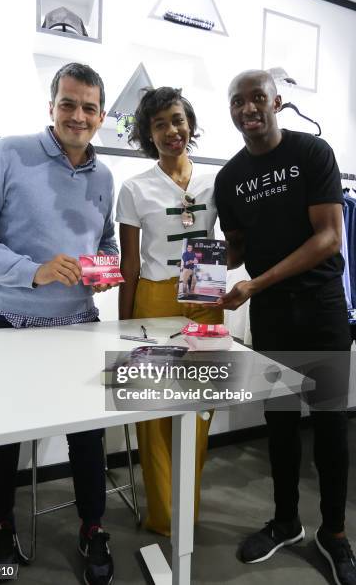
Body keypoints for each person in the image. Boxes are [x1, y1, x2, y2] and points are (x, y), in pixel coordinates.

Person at [0, 62, 116, 585]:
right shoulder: (7, 154)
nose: (78, 115)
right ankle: (0, 522)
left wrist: (105, 269)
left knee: (87, 437)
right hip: (10, 324)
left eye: (89, 107)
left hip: (78, 325)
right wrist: (33, 272)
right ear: (51, 107)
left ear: (101, 115)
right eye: (68, 103)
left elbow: (104, 241)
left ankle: (93, 527)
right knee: (3, 439)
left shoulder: (104, 175)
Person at [215, 69, 356, 585]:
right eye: (238, 101)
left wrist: (256, 284)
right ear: (230, 111)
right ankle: (286, 522)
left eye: (257, 98)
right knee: (278, 425)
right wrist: (190, 254)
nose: (248, 108)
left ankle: (334, 533)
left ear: (277, 101)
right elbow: (236, 249)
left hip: (320, 311)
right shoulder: (230, 179)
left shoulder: (312, 154)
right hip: (270, 318)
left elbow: (329, 238)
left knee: (330, 428)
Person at [116, 86, 223, 536]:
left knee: (201, 408)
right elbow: (130, 263)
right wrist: (122, 327)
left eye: (177, 119)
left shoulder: (214, 181)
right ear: (148, 134)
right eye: (159, 124)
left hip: (205, 292)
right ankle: (163, 516)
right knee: (156, 410)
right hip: (155, 297)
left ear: (190, 124)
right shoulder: (134, 188)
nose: (171, 130)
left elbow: (230, 241)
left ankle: (187, 510)